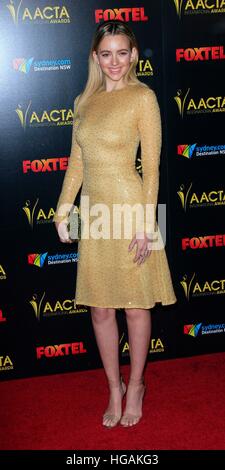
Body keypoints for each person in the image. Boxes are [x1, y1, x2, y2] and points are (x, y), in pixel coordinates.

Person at [54, 20, 176, 428]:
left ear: (134, 54)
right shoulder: (82, 103)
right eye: (106, 53)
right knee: (101, 308)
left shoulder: (143, 97)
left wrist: (146, 223)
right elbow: (76, 164)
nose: (114, 61)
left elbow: (153, 166)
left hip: (129, 210)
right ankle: (113, 386)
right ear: (95, 57)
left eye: (122, 52)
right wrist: (62, 209)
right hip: (94, 212)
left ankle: (137, 384)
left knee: (136, 306)